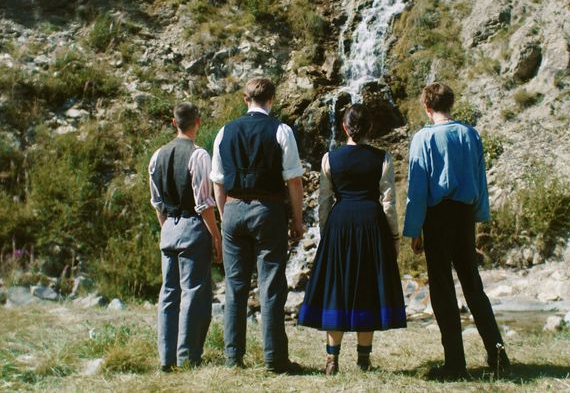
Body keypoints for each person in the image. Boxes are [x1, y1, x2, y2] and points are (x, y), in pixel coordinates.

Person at [403, 83, 510, 380]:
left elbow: (417, 190)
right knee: (473, 285)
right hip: (463, 216)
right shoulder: (469, 134)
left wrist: (414, 229)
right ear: (452, 104)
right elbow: (479, 178)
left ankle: (454, 363)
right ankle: (498, 355)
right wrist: (478, 215)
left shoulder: (423, 138)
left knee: (441, 288)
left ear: (427, 107)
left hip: (436, 217)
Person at [298, 104, 407, 375]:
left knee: (336, 288)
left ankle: (332, 359)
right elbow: (388, 203)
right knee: (367, 286)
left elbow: (324, 201)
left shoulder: (329, 158)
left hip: (340, 222)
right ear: (370, 127)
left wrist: (327, 233)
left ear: (344, 127)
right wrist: (393, 236)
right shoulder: (382, 158)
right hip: (371, 222)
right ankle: (364, 360)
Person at [210, 77, 305, 374]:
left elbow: (218, 181)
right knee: (271, 284)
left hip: (233, 208)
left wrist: (225, 216)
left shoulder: (225, 131)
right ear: (272, 100)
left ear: (245, 99)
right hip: (268, 209)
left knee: (235, 285)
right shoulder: (281, 130)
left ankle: (233, 357)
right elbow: (293, 180)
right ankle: (274, 359)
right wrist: (297, 219)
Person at [149, 102, 223, 372]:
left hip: (169, 228)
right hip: (193, 227)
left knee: (168, 294)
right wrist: (216, 237)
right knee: (193, 294)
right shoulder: (198, 155)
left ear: (174, 122)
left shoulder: (157, 155)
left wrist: (167, 227)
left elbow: (157, 201)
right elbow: (204, 203)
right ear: (198, 122)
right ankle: (187, 357)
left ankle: (166, 358)